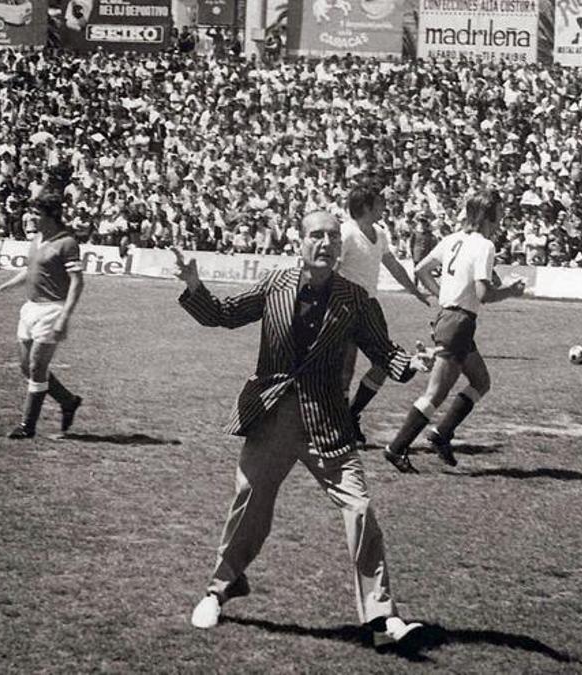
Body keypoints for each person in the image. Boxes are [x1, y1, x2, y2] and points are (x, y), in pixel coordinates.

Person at [175, 210, 432, 647]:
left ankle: (382, 617)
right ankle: (219, 590)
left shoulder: (355, 299)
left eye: (333, 237)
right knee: (249, 504)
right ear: (299, 242)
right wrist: (194, 285)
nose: (327, 244)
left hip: (327, 422)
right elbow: (225, 314)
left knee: (360, 508)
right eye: (317, 235)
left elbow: (383, 350)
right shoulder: (275, 284)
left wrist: (412, 365)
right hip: (272, 416)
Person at [383, 189, 526, 472]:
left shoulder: (451, 240)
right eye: (499, 213)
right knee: (435, 394)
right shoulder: (484, 246)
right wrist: (511, 291)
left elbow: (422, 269)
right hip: (458, 323)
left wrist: (444, 296)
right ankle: (397, 447)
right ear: (488, 215)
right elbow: (483, 293)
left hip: (451, 319)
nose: (501, 220)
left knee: (481, 381)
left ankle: (442, 433)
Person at [0, 188, 85, 439]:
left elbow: (77, 282)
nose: (31, 217)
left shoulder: (67, 242)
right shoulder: (37, 240)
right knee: (27, 368)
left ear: (50, 216)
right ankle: (68, 401)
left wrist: (64, 317)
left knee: (37, 367)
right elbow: (30, 273)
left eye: (36, 213)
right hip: (30, 308)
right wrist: (1, 288)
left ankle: (27, 426)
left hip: (52, 310)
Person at [339, 183, 430, 445]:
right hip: (344, 307)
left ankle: (351, 415)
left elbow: (392, 265)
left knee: (385, 363)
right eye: (379, 203)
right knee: (345, 370)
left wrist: (414, 291)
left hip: (369, 307)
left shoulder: (379, 232)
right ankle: (339, 428)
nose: (384, 207)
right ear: (366, 207)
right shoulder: (346, 233)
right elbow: (331, 270)